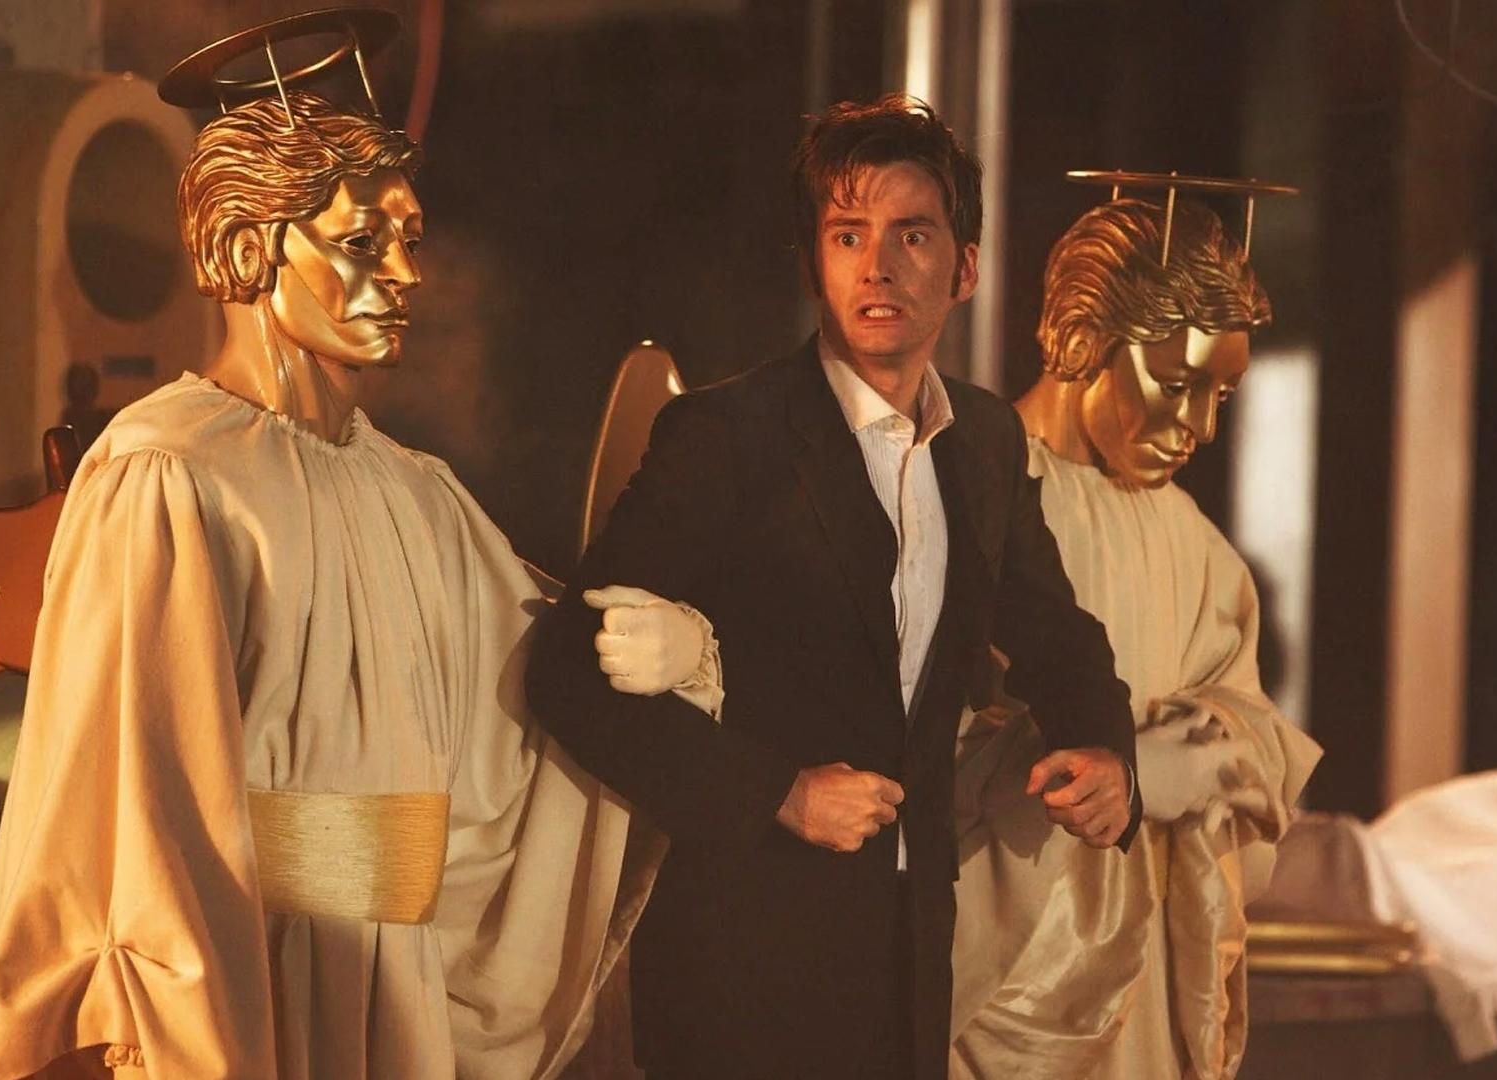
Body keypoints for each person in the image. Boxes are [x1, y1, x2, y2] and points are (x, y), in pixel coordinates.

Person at [0, 89, 715, 1080]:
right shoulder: (171, 475)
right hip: (241, 987)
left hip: (392, 986)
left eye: (410, 238)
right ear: (250, 248)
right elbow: (141, 809)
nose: (405, 272)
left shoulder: (416, 491)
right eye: (363, 241)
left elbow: (534, 720)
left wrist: (678, 647)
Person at [525, 95, 1140, 1080]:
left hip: (912, 952)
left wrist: (1104, 750)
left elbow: (1056, 634)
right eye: (848, 235)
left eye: (912, 235)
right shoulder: (726, 437)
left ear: (966, 268)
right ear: (815, 262)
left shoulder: (986, 440)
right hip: (738, 957)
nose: (876, 266)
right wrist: (777, 794)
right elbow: (567, 670)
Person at [950, 197, 1322, 1078]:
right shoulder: (973, 489)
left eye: (1223, 394)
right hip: (1013, 966)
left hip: (1148, 963)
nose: (1202, 427)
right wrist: (1090, 767)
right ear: (1085, 341)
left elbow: (1257, 728)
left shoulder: (1197, 545)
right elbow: (904, 725)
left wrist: (1207, 754)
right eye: (1176, 384)